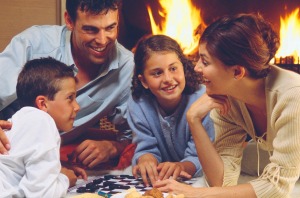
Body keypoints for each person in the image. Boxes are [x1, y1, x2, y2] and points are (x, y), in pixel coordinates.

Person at [154, 13, 300, 197]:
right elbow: (222, 181)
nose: (197, 68)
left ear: (238, 72)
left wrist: (197, 194)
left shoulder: (293, 97)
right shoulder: (228, 98)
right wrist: (194, 120)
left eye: (205, 61)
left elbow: (278, 187)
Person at [0, 0, 134, 168]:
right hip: (7, 149)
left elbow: (135, 135)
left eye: (110, 28)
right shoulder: (33, 43)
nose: (102, 40)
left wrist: (112, 147)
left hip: (48, 157)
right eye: (90, 29)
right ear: (69, 21)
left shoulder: (127, 67)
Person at [127, 35, 214, 187]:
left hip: (200, 175)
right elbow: (145, 145)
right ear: (144, 81)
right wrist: (146, 159)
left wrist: (182, 166)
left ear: (183, 68)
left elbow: (203, 155)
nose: (168, 78)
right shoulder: (138, 104)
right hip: (163, 177)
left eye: (173, 69)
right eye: (157, 73)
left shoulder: (203, 100)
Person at [0, 57, 87, 197]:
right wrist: (65, 179)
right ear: (43, 104)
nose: (77, 107)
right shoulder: (41, 121)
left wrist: (56, 171)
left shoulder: (23, 121)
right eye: (70, 98)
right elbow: (42, 195)